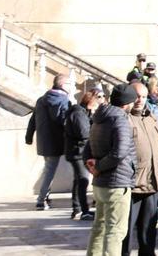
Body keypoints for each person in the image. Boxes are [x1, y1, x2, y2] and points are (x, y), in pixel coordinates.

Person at [85, 83, 137, 256]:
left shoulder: (100, 117)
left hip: (101, 183)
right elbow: (120, 152)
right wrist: (98, 166)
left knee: (99, 227)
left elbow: (88, 148)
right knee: (115, 231)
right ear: (126, 103)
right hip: (116, 182)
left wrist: (93, 165)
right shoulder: (120, 119)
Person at [123, 82, 158, 256]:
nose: (140, 100)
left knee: (149, 230)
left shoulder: (152, 117)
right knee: (125, 231)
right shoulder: (124, 118)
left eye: (143, 96)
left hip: (152, 181)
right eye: (136, 96)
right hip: (133, 184)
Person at [25, 73, 73, 210]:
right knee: (49, 171)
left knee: (48, 170)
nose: (71, 86)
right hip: (56, 141)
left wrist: (28, 137)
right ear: (63, 85)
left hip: (43, 141)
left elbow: (33, 119)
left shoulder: (41, 99)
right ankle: (41, 200)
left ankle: (45, 196)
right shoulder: (64, 100)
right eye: (69, 83)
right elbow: (64, 121)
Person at [64, 87, 101, 221]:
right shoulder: (79, 114)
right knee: (83, 180)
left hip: (79, 151)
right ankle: (81, 210)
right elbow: (83, 133)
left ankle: (78, 209)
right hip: (77, 152)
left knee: (79, 181)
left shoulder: (82, 113)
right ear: (91, 102)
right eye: (96, 103)